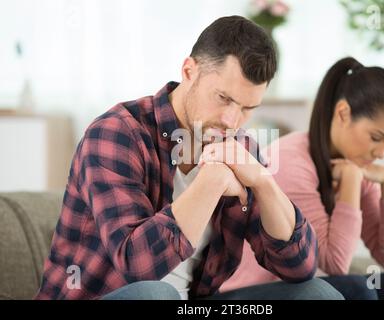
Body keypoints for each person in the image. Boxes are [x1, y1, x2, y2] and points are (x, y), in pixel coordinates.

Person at [34, 15, 343, 300]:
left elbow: (298, 268)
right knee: (155, 295)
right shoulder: (118, 133)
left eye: (248, 108)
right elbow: (136, 266)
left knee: (318, 294)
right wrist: (210, 182)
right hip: (117, 296)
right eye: (223, 98)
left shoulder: (242, 149)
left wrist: (263, 182)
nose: (232, 120)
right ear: (189, 71)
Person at [221, 57, 384, 300]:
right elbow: (335, 263)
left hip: (297, 287)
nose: (382, 152)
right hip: (243, 292)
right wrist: (351, 181)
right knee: (360, 290)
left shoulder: (356, 164)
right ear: (343, 112)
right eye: (376, 137)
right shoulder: (292, 161)